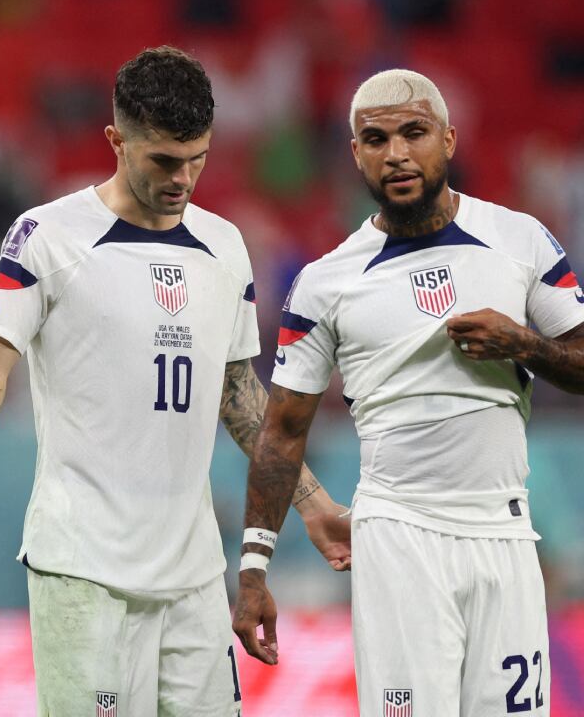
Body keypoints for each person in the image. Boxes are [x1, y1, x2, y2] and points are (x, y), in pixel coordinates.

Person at [0, 46, 348, 717]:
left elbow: (240, 400)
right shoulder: (46, 238)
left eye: (198, 158)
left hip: (194, 578)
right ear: (116, 141)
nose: (184, 178)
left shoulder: (226, 247)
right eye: (164, 161)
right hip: (84, 573)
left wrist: (314, 501)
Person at [233, 69, 584, 717]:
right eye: (376, 138)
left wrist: (525, 345)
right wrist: (254, 566)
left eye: (413, 133)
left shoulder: (520, 240)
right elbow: (282, 429)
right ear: (355, 153)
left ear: (448, 140)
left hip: (504, 533)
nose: (396, 153)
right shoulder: (323, 282)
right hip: (399, 538)